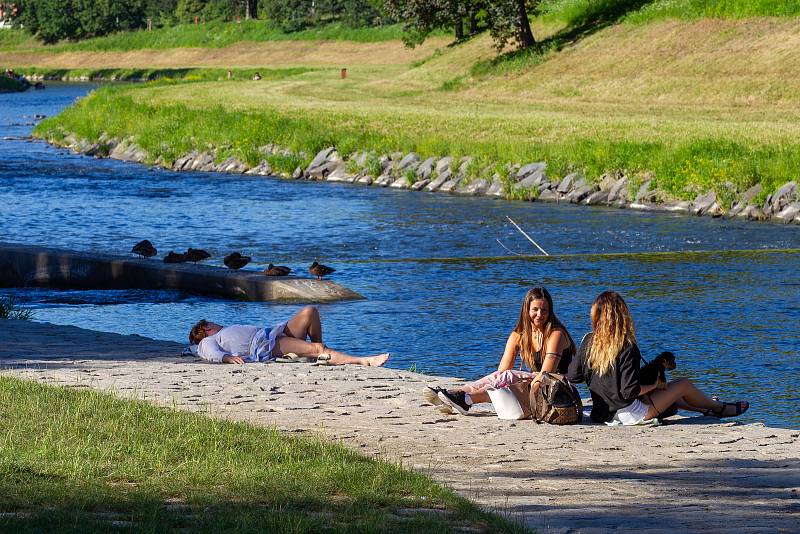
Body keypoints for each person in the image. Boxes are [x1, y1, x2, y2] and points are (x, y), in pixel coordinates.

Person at [567, 290, 749, 425]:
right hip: (631, 415)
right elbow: (629, 391)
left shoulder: (588, 341)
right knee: (682, 384)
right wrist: (655, 385)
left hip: (601, 414)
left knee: (671, 394)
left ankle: (707, 408)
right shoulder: (626, 346)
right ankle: (720, 408)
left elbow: (574, 377)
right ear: (622, 316)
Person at [430, 287, 576, 415]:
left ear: (550, 312)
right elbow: (501, 373)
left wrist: (517, 392)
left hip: (559, 391)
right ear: (527, 310)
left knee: (507, 378)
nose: (539, 314)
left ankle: (465, 399)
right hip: (538, 385)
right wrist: (502, 387)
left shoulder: (556, 334)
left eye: (544, 310)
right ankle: (455, 394)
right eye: (535, 309)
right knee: (501, 376)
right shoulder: (519, 335)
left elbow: (546, 375)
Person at [188, 305, 389, 367]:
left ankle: (315, 352)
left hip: (274, 332)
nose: (215, 322)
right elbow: (209, 352)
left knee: (310, 311)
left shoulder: (224, 331)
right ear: (206, 328)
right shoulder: (209, 340)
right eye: (210, 323)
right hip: (266, 345)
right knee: (317, 350)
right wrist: (228, 358)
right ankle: (364, 361)